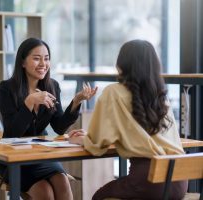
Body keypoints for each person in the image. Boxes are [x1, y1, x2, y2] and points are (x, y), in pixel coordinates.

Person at [68, 39, 188, 200]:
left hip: (149, 180)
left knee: (99, 196)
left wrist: (83, 139)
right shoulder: (159, 95)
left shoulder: (114, 92)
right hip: (180, 181)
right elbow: (139, 132)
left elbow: (97, 144)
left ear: (121, 64)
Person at [0, 37, 97, 200]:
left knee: (62, 181)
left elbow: (58, 126)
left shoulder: (52, 86)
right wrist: (29, 102)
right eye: (36, 58)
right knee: (45, 192)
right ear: (22, 62)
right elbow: (13, 131)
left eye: (46, 58)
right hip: (14, 159)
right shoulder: (7, 88)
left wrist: (76, 101)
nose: (43, 63)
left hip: (41, 156)